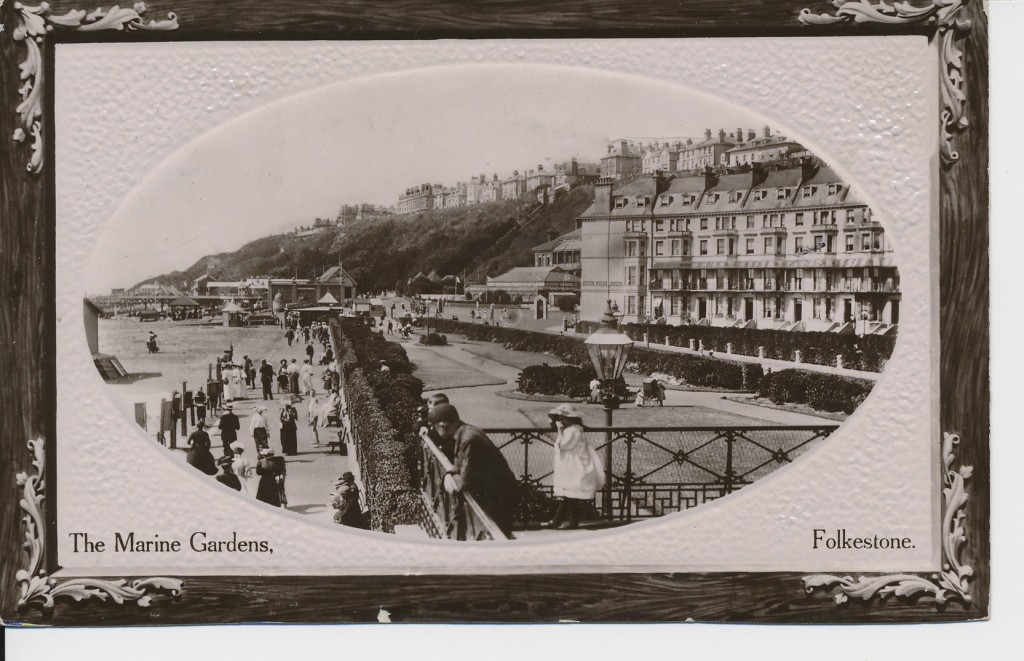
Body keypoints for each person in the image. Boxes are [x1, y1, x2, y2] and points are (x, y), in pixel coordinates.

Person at [429, 403, 519, 538]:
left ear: (443, 426)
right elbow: (458, 464)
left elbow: (463, 483)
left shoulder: (468, 439)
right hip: (496, 493)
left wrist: (450, 478)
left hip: (500, 496)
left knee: (498, 537)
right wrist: (450, 474)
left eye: (434, 427)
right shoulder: (464, 431)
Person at [545, 404, 605, 530]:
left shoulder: (572, 431)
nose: (560, 421)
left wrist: (559, 431)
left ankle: (564, 521)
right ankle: (562, 520)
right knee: (568, 495)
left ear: (570, 419)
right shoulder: (575, 429)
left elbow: (562, 445)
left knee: (569, 494)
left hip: (574, 466)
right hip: (572, 465)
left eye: (562, 418)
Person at [417, 392, 454, 462]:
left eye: (430, 404)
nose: (428, 406)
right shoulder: (433, 419)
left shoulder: (444, 422)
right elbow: (418, 424)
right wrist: (422, 427)